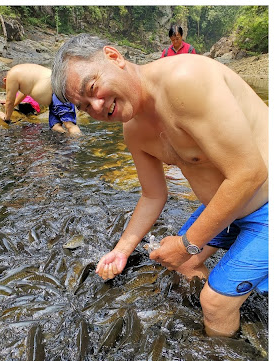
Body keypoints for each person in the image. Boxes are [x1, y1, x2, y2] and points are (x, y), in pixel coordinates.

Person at [51, 34, 268, 338]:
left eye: (92, 88)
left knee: (214, 302)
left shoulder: (185, 81)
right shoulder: (134, 131)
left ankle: (228, 355)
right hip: (229, 206)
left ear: (114, 56)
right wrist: (122, 251)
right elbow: (153, 194)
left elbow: (249, 173)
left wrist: (185, 243)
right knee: (181, 266)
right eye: (85, 107)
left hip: (265, 202)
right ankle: (247, 310)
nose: (97, 107)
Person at [0, 64, 80, 134]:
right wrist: (14, 104)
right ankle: (68, 146)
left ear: (5, 80)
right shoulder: (18, 73)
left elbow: (10, 101)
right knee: (55, 126)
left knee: (69, 125)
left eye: (6, 88)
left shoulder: (11, 76)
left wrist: (6, 118)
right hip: (53, 96)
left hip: (58, 90)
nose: (9, 91)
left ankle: (80, 144)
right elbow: (23, 93)